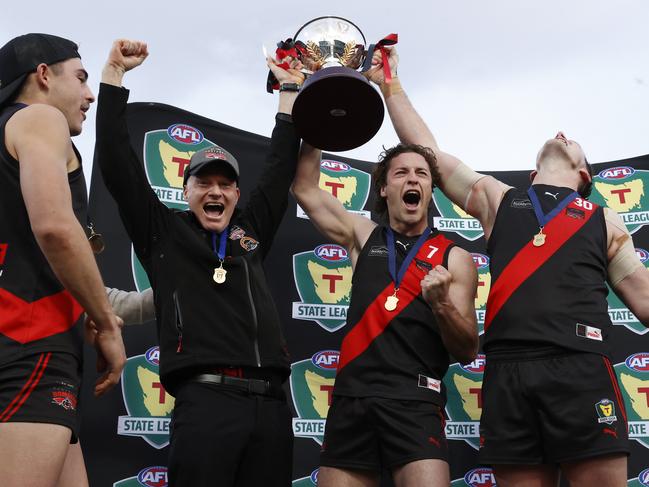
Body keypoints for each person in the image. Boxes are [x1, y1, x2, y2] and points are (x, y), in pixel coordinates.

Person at [371, 47, 649, 487]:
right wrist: (391, 85)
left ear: (584, 177)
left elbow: (646, 301)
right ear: (535, 173)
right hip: (508, 371)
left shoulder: (604, 220)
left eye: (572, 139)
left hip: (579, 367)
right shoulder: (499, 199)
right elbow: (430, 154)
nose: (561, 133)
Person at [96, 39, 303, 486]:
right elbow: (116, 162)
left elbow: (280, 168)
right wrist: (114, 75)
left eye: (226, 184)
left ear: (235, 194)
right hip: (206, 401)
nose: (216, 191)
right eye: (204, 182)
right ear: (185, 192)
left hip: (271, 405)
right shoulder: (164, 232)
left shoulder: (249, 234)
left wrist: (288, 93)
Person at [292, 145, 479, 482]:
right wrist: (316, 115)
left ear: (430, 190)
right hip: (353, 400)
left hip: (416, 403)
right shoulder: (362, 235)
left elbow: (467, 349)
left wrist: (441, 304)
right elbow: (305, 187)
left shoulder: (455, 257)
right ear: (383, 188)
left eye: (421, 174)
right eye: (401, 173)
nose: (413, 179)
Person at [0, 33, 127, 487]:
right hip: (29, 341)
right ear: (43, 76)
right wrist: (107, 323)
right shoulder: (39, 117)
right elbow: (55, 225)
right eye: (80, 78)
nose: (89, 94)